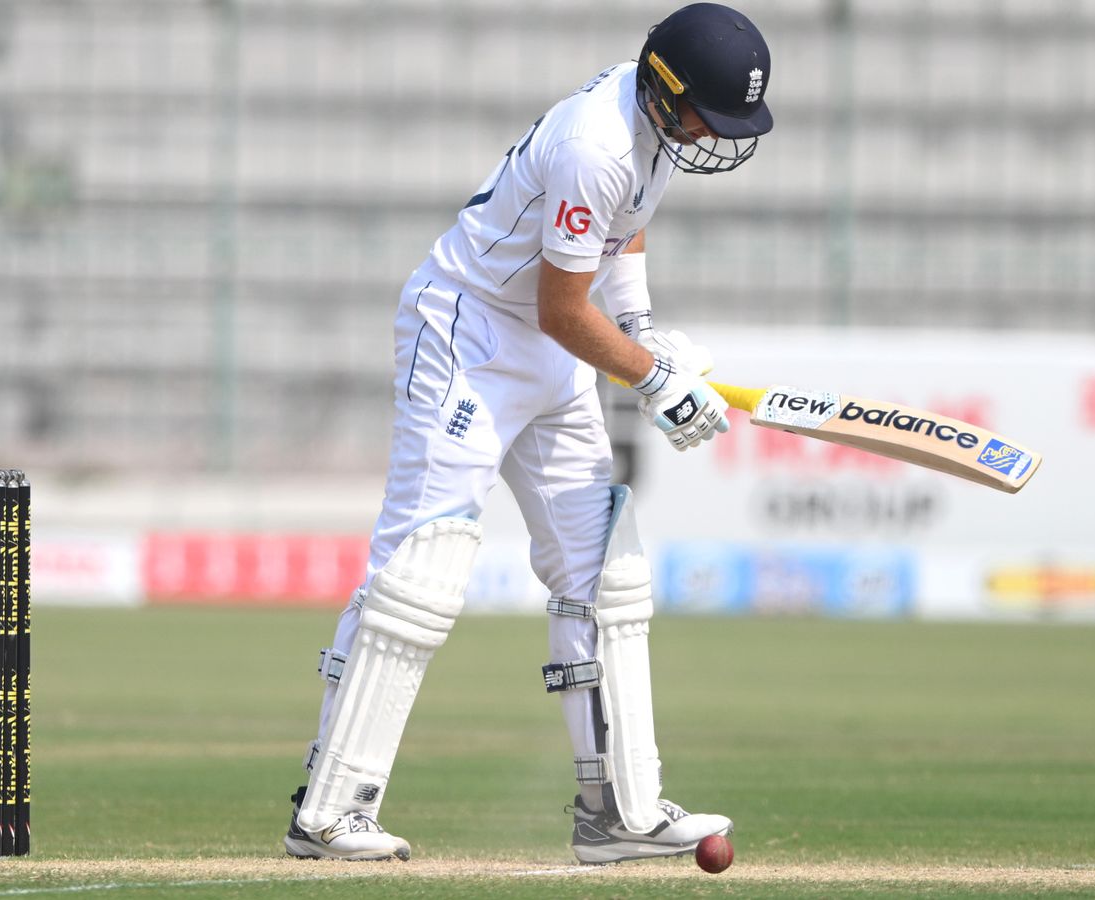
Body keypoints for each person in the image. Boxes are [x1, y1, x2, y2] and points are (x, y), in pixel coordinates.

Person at [284, 3, 773, 865]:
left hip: (548, 345)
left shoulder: (650, 131)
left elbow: (622, 234)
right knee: (422, 566)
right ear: (662, 90)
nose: (711, 134)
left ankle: (618, 812)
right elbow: (559, 308)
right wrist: (653, 379)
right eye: (704, 112)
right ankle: (328, 812)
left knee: (604, 571)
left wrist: (644, 328)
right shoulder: (597, 143)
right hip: (468, 336)